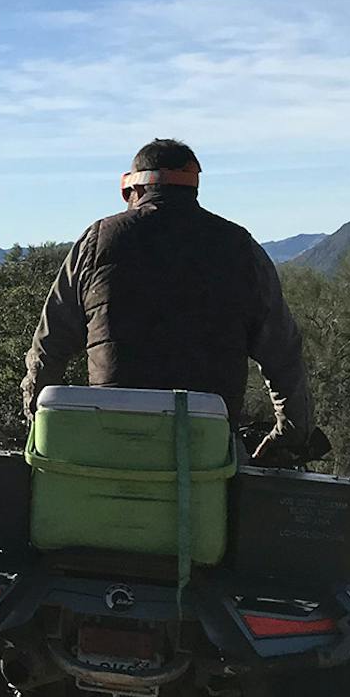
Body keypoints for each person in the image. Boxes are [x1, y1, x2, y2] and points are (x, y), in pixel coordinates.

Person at [20, 139, 313, 459]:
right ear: (193, 191)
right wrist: (290, 432)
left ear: (133, 190)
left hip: (113, 443)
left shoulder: (98, 240)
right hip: (206, 451)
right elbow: (282, 352)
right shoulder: (240, 247)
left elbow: (49, 346)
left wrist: (38, 418)